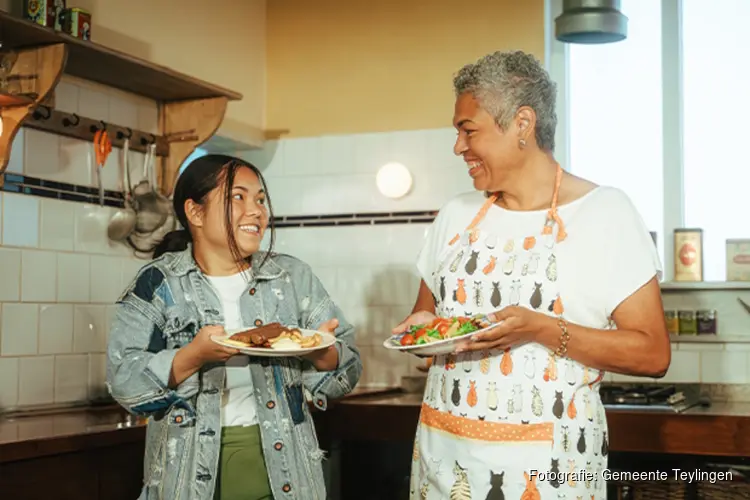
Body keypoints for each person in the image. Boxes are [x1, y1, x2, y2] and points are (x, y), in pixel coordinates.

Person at [393, 50, 670, 500]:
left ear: (522, 124)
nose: (458, 146)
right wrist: (424, 334)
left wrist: (540, 329)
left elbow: (653, 353)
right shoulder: (455, 215)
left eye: (468, 130)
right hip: (444, 459)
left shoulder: (604, 213)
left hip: (549, 467)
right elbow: (427, 326)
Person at [106, 154, 362, 500]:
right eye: (237, 198)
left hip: (287, 472)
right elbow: (123, 381)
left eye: (260, 199)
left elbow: (348, 366)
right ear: (195, 213)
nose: (256, 211)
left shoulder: (291, 277)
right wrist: (192, 356)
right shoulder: (158, 283)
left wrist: (323, 353)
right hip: (186, 476)